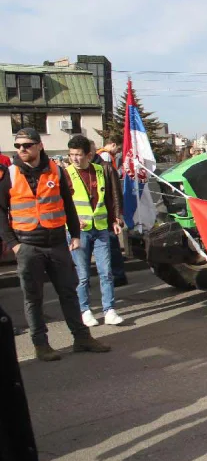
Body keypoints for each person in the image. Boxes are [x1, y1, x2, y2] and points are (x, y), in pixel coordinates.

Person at [0, 128, 111, 361]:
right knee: (33, 297)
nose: (21, 149)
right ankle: (41, 344)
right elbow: (1, 211)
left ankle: (82, 338)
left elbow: (68, 205)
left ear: (39, 146)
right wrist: (13, 243)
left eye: (26, 145)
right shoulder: (9, 173)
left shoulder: (56, 171)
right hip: (28, 245)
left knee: (68, 292)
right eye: (18, 145)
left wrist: (76, 234)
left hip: (57, 242)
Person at [66, 136, 124, 327]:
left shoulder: (101, 170)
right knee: (82, 274)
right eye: (71, 155)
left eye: (79, 155)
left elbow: (110, 196)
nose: (75, 159)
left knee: (106, 272)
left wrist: (115, 219)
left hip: (100, 228)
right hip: (78, 232)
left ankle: (109, 310)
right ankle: (85, 310)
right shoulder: (65, 174)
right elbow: (61, 204)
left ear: (89, 155)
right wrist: (72, 223)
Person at [92, 141, 128, 287]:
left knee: (112, 246)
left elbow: (114, 191)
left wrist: (117, 214)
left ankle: (118, 275)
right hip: (94, 217)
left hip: (107, 214)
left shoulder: (104, 166)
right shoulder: (104, 159)